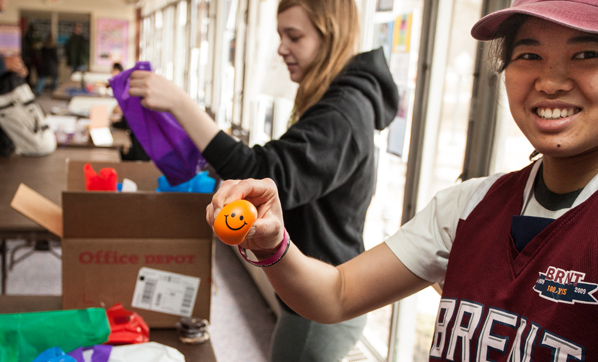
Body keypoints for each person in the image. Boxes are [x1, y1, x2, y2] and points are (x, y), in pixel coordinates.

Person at [205, 0, 598, 360]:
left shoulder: (344, 109)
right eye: (529, 54)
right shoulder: (466, 207)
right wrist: (273, 243)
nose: (551, 81)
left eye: (586, 54)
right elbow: (337, 293)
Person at [127, 0, 398, 360]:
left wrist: (181, 103)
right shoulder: (334, 101)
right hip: (315, 287)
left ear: (330, 35)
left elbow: (267, 175)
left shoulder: (342, 113)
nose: (282, 48)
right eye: (280, 35)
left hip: (322, 299)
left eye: (294, 36)